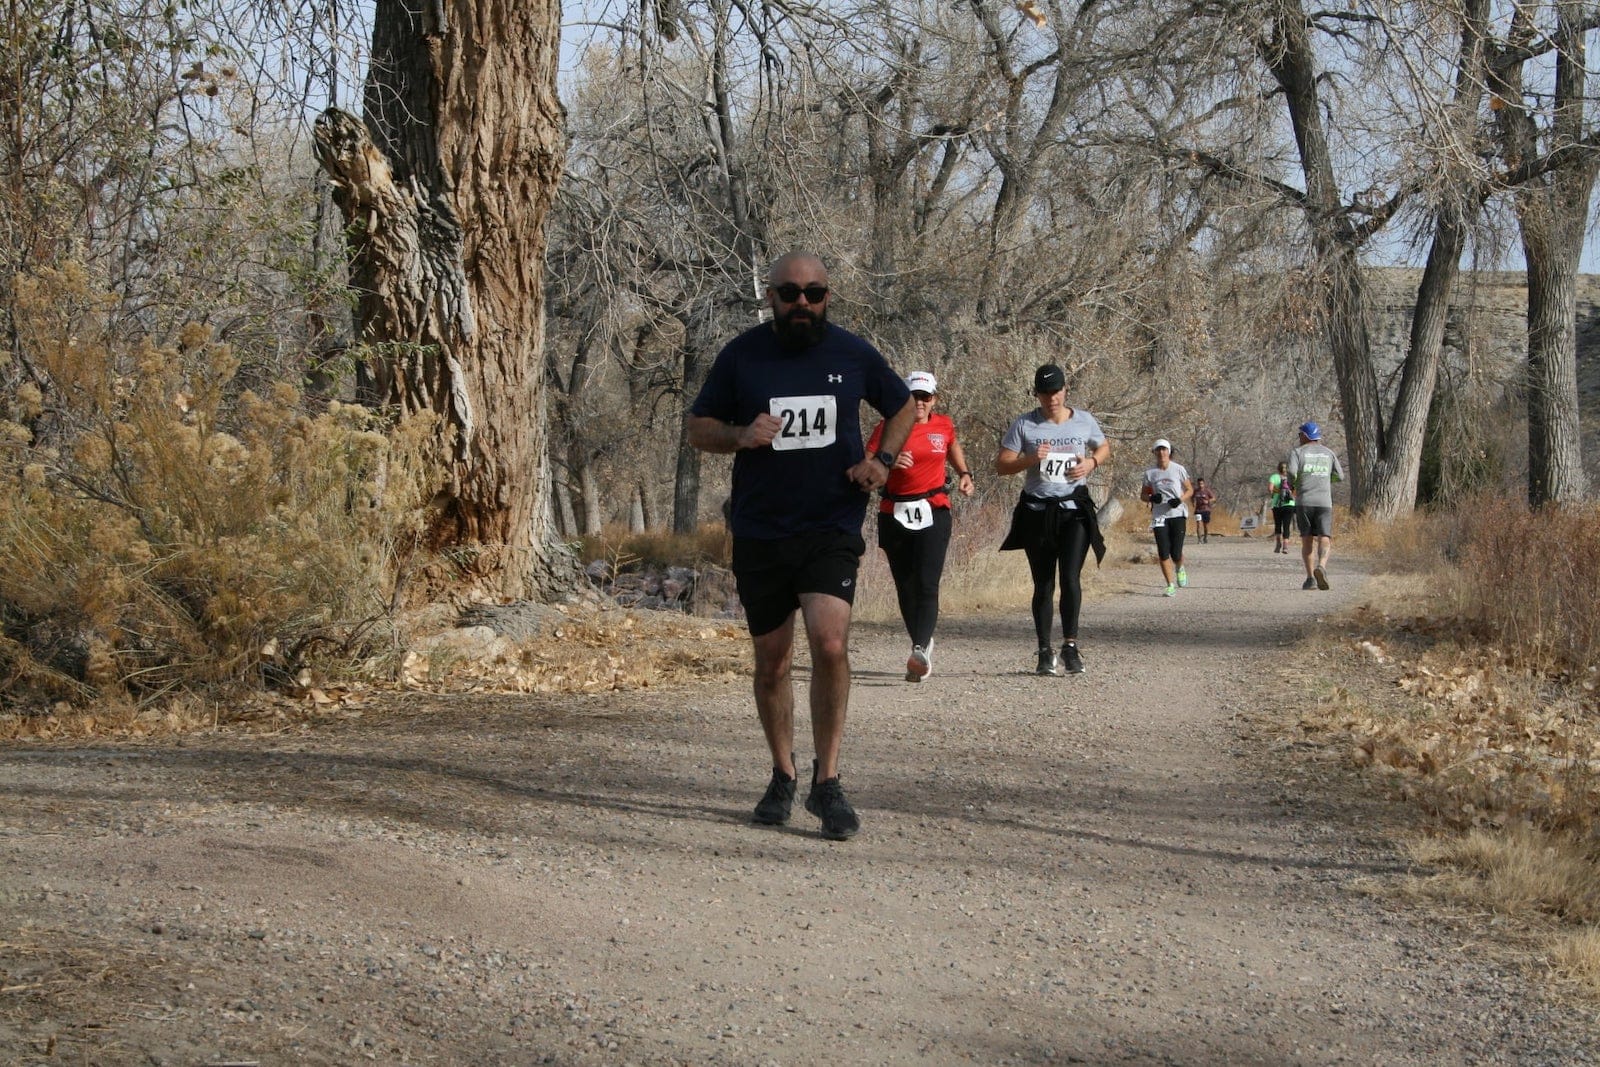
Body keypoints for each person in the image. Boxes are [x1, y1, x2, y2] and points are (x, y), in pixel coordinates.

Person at [687, 251, 915, 840]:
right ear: (771, 296)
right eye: (790, 294)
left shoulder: (852, 352)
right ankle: (783, 774)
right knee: (773, 663)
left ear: (827, 296)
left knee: (831, 642)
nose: (802, 304)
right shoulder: (742, 355)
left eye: (814, 293)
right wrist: (740, 435)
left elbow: (904, 405)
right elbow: (697, 427)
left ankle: (828, 782)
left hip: (830, 524)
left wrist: (881, 461)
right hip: (762, 529)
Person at [996, 363, 1111, 676]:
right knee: (1043, 584)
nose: (1052, 398)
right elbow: (1002, 465)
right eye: (1045, 393)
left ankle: (1070, 646)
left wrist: (1090, 464)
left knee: (1071, 578)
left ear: (1065, 390)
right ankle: (1045, 650)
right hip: (1038, 512)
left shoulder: (1084, 421)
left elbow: (1103, 446)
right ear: (1037, 394)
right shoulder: (1025, 425)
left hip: (1074, 510)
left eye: (1056, 391)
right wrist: (1032, 458)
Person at [866, 370, 975, 683]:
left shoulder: (943, 425)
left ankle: (919, 649)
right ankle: (922, 644)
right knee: (905, 584)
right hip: (894, 509)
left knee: (927, 582)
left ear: (934, 400)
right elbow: (867, 458)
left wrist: (965, 473)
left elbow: (952, 445)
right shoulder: (888, 426)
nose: (920, 402)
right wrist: (888, 460)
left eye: (925, 397)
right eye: (914, 396)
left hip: (933, 508)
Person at [1286, 421, 1345, 590]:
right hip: (1324, 502)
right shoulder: (1329, 453)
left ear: (1305, 435)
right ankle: (1322, 566)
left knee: (1307, 540)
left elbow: (1291, 472)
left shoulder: (1297, 452)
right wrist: (1326, 479)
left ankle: (1310, 578)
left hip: (1304, 501)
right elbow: (1340, 476)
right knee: (1324, 536)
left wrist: (1293, 484)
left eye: (1300, 435)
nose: (1299, 438)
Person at [1140, 439, 1193, 596]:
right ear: (1154, 452)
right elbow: (1143, 494)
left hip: (1177, 513)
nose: (1161, 453)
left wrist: (1180, 500)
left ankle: (1180, 567)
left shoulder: (1178, 469)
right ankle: (1170, 585)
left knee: (1176, 552)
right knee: (1163, 552)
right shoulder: (1150, 473)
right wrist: (1151, 498)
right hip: (1159, 515)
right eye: (1158, 450)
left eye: (1164, 449)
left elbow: (1190, 490)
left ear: (1169, 451)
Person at [1268, 461, 1296, 554]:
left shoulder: (1274, 477)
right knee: (1287, 526)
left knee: (1278, 525)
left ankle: (1278, 544)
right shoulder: (1292, 478)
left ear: (1278, 468)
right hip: (1289, 504)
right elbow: (1296, 490)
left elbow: (1270, 489)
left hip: (1277, 505)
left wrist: (1276, 493)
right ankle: (1285, 546)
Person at [1192, 477, 1216, 544]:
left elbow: (1213, 498)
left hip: (1206, 510)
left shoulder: (1207, 490)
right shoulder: (1196, 491)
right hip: (1198, 510)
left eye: (1202, 483)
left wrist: (1208, 501)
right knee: (1198, 524)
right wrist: (1193, 503)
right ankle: (1199, 539)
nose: (1200, 485)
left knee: (1205, 526)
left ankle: (1205, 537)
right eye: (1199, 484)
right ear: (1197, 484)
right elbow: (1192, 497)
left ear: (1204, 484)